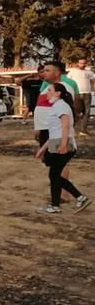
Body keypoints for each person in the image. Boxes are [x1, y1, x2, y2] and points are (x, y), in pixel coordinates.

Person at [35, 82, 90, 214]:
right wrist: (43, 149)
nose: (46, 93)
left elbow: (65, 126)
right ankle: (76, 199)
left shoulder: (61, 106)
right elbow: (55, 131)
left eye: (49, 90)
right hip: (57, 143)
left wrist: (64, 145)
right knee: (55, 175)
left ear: (58, 93)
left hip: (63, 145)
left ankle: (59, 205)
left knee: (54, 175)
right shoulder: (57, 106)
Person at [34, 60, 81, 198]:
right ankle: (60, 192)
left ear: (57, 72)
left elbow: (64, 113)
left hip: (53, 131)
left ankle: (64, 195)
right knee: (53, 163)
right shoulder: (47, 87)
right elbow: (42, 107)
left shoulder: (63, 87)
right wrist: (38, 127)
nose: (44, 73)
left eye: (47, 70)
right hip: (45, 128)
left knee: (59, 163)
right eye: (43, 71)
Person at [66, 58, 93, 135]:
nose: (82, 65)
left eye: (84, 63)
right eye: (81, 63)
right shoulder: (72, 72)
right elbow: (67, 81)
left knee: (87, 112)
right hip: (76, 94)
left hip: (87, 93)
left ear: (86, 63)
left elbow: (93, 81)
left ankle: (83, 130)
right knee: (76, 111)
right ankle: (72, 128)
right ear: (78, 63)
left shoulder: (89, 72)